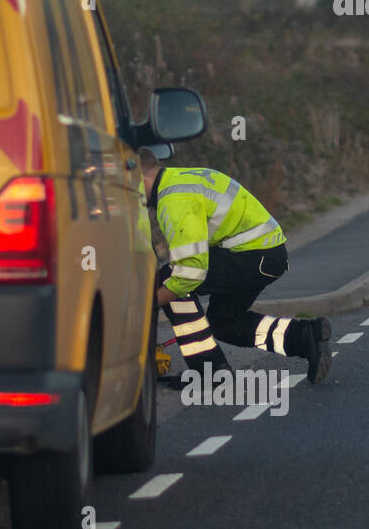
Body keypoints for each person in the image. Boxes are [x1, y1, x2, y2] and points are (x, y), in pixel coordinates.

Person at [139, 147, 332, 384]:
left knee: (170, 280)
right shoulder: (182, 178)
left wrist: (148, 304)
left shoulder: (174, 200)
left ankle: (210, 374)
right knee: (225, 323)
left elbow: (190, 273)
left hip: (252, 254)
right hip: (266, 255)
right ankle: (305, 337)